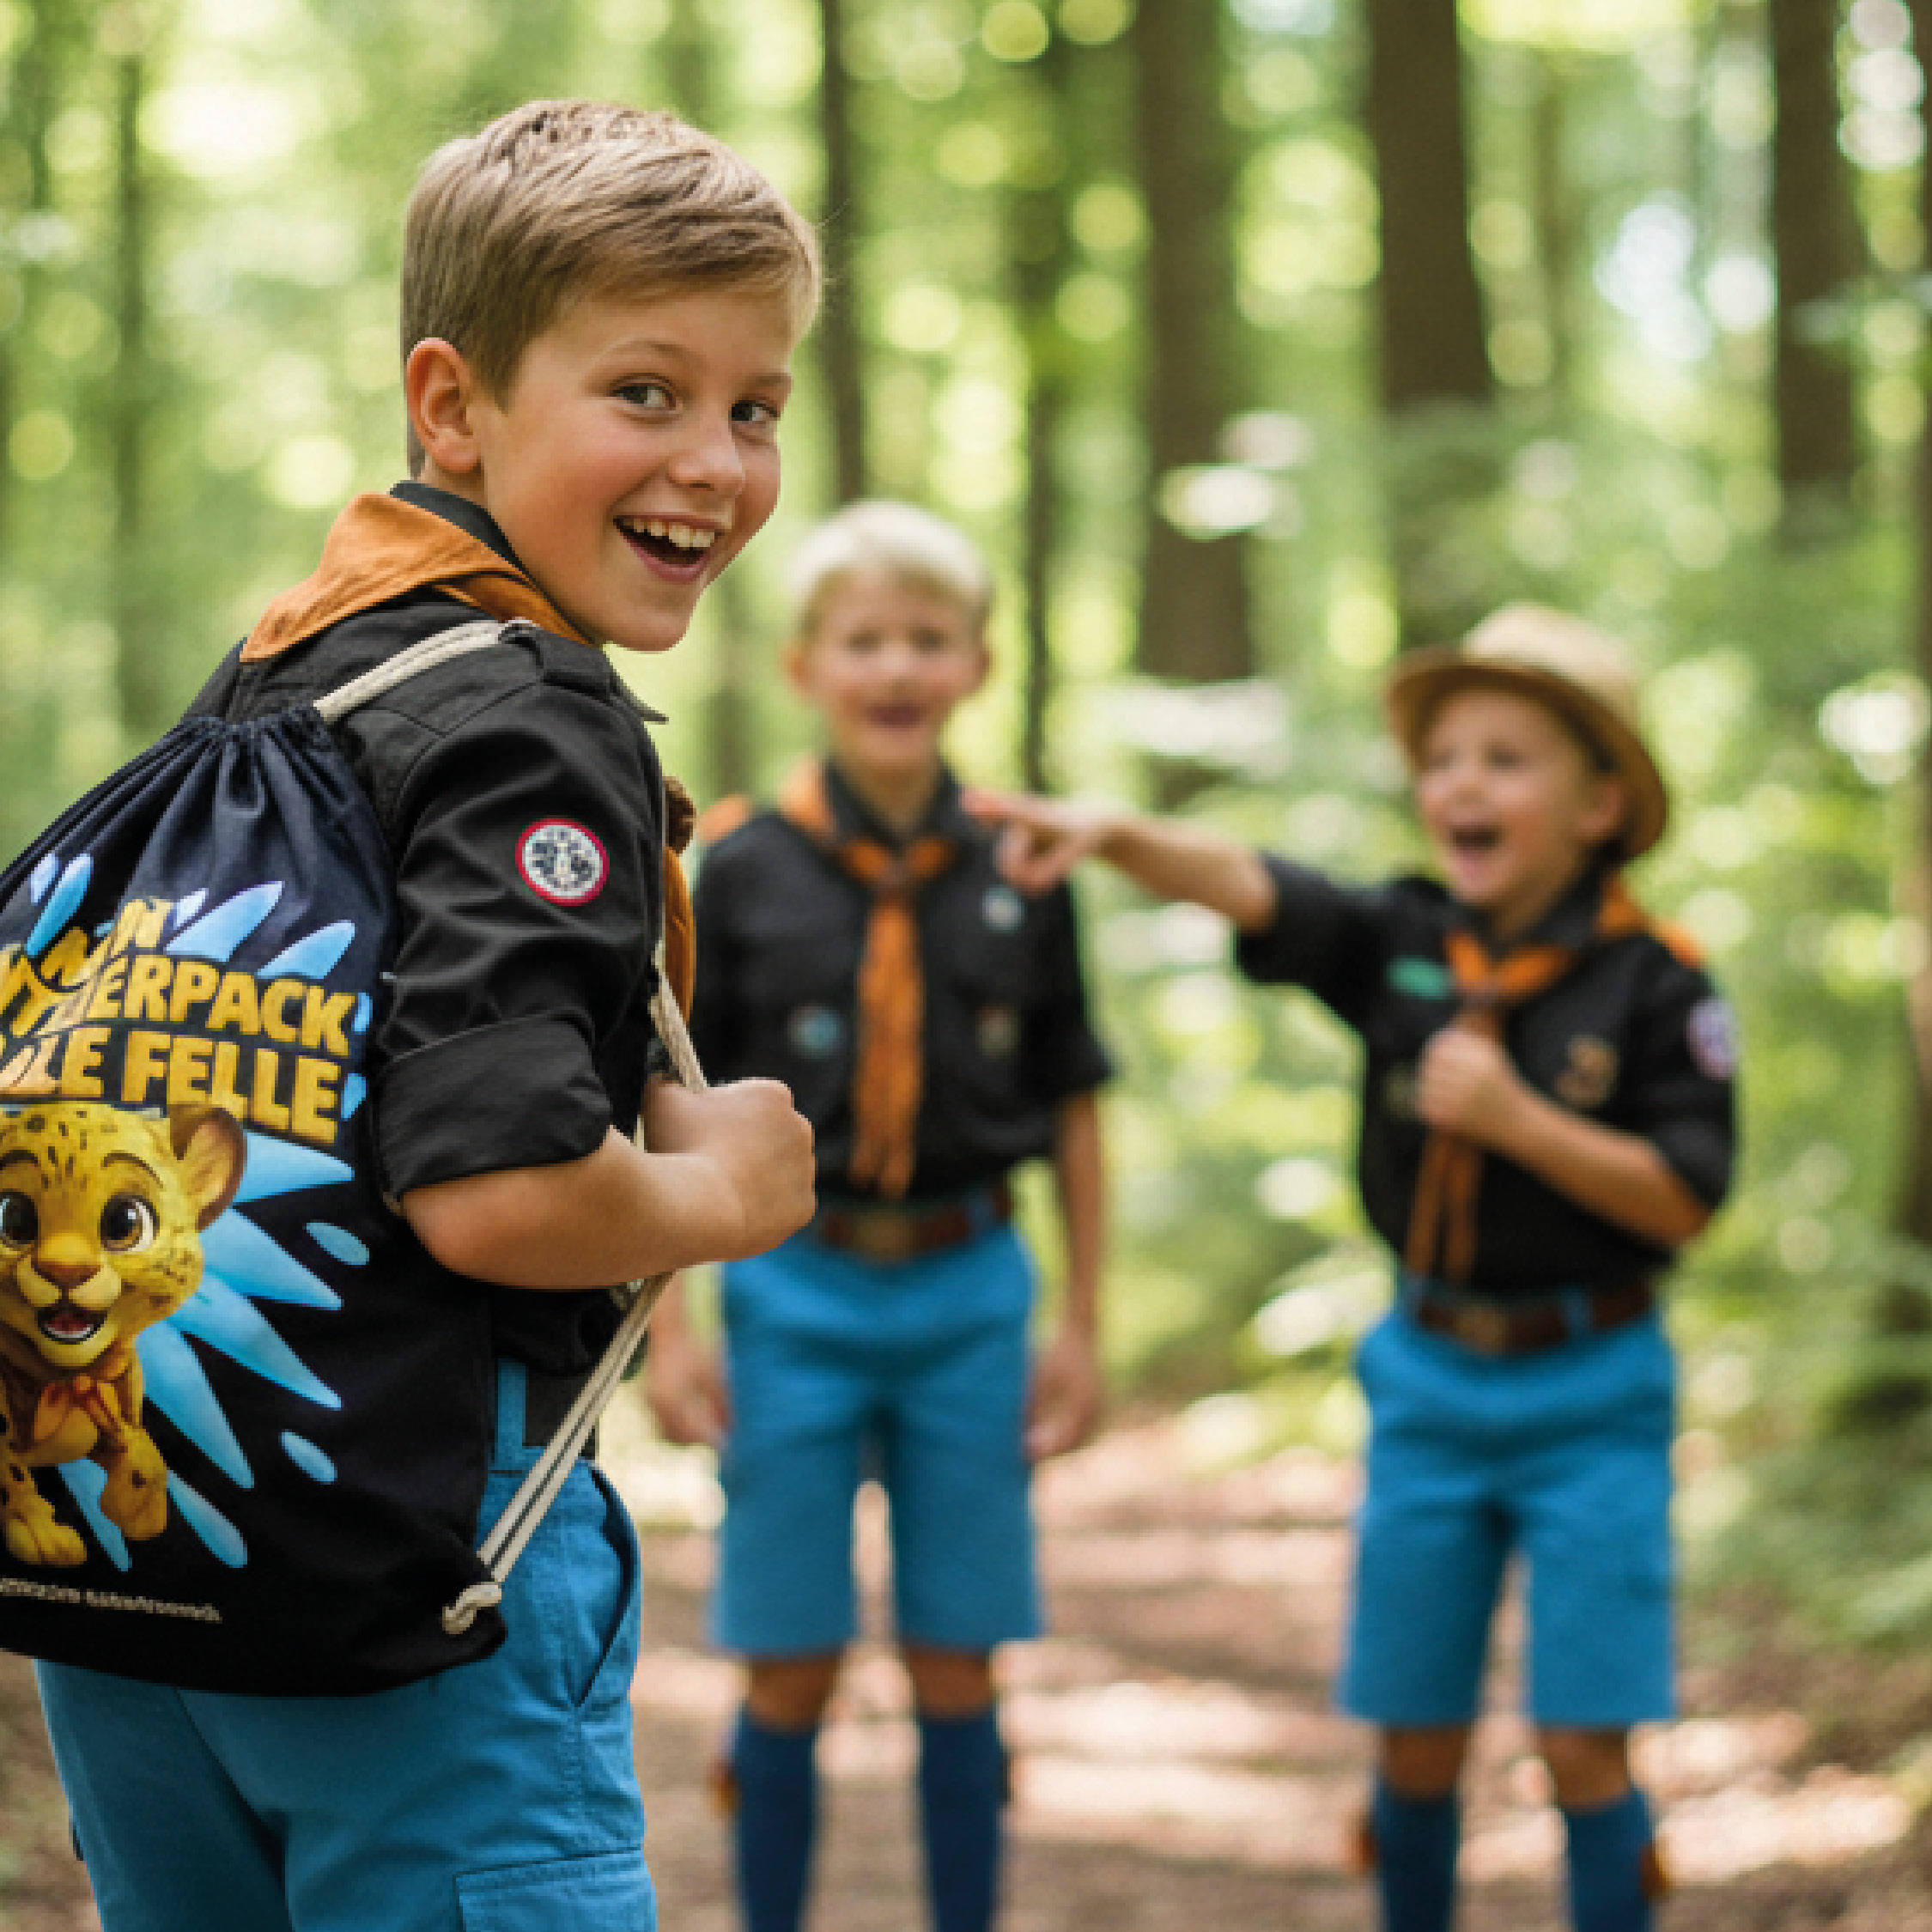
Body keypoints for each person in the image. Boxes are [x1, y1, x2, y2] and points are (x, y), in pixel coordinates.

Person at [32, 100, 820, 1932]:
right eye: (646, 391)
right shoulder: (532, 713)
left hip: (143, 1560)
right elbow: (499, 1186)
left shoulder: (280, 670)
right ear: (452, 406)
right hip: (415, 1567)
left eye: (756, 408)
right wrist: (723, 1194)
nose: (713, 463)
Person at [969, 605, 1736, 1932]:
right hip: (1427, 1380)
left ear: (1601, 802)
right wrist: (1111, 832)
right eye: (1443, 759)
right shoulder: (1401, 936)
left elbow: (1683, 1194)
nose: (1461, 784)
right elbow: (1255, 883)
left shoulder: (1655, 983)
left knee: (1581, 1741)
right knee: (1413, 1736)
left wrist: (1517, 1119)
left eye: (1506, 759)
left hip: (1594, 1389)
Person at [646, 501, 1113, 1932]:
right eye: (863, 640)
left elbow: (1075, 1105)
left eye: (927, 638)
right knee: (787, 1653)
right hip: (793, 1283)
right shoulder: (741, 864)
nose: (895, 666)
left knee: (958, 1650)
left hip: (971, 1285)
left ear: (975, 663)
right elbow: (670, 1100)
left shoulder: (1024, 864)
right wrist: (671, 1327)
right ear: (805, 666)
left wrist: (1083, 1324)